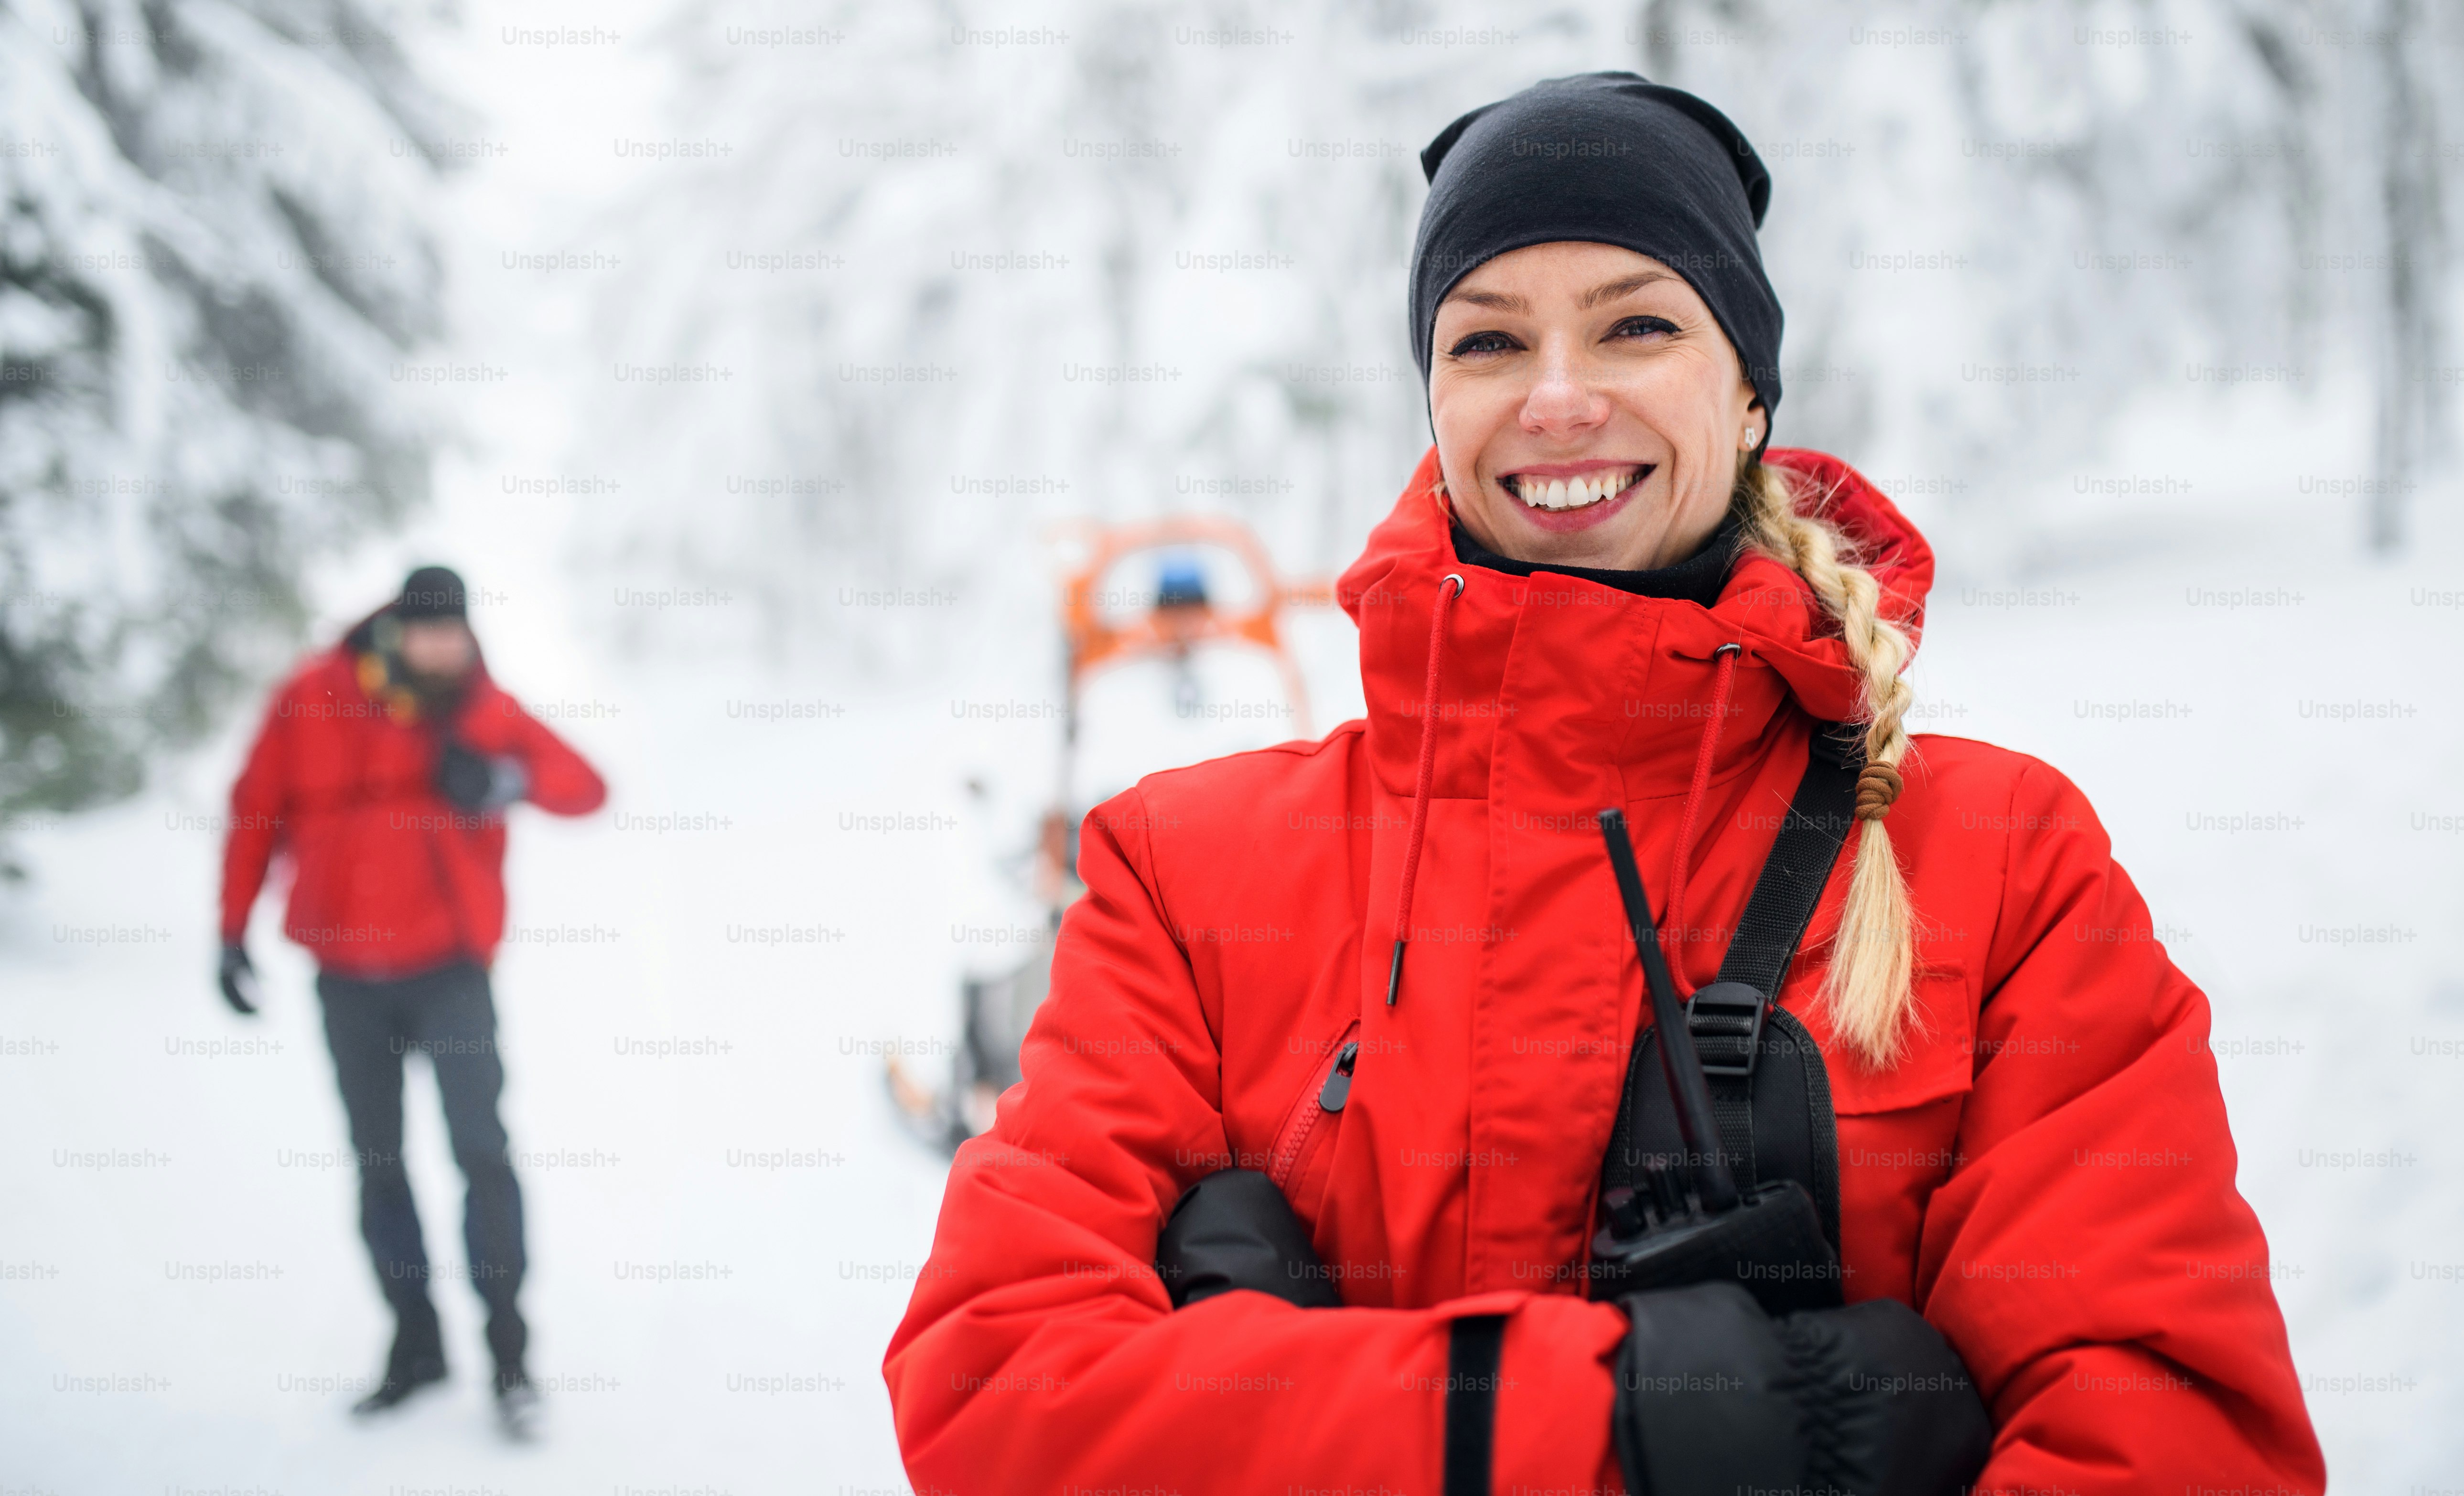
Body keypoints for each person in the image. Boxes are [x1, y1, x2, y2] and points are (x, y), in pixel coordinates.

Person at [886, 74, 2325, 1496]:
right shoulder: (1185, 875)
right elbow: (996, 1383)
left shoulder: (2006, 867)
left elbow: (2174, 1430)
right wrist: (1639, 1427)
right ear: (1434, 402)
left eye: (1637, 323)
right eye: (1489, 340)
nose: (1559, 399)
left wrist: (1291, 1415)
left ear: (1751, 393)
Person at [217, 565, 605, 1439]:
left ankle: (510, 1358)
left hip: (450, 976)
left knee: (482, 1153)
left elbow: (586, 787)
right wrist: (231, 930)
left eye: (456, 635)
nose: (442, 649)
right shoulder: (313, 694)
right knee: (379, 1163)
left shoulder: (481, 709)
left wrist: (502, 781)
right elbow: (254, 810)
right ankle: (416, 1346)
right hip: (347, 980)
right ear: (397, 628)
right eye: (428, 633)